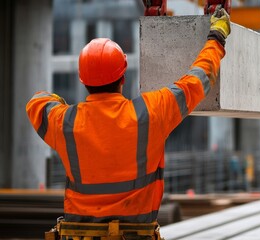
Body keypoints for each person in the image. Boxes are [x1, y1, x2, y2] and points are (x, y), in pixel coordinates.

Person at [26, 8, 230, 237]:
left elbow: (36, 102)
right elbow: (198, 80)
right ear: (123, 77)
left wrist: (62, 105)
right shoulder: (150, 113)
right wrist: (217, 38)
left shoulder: (66, 123)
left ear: (83, 81)